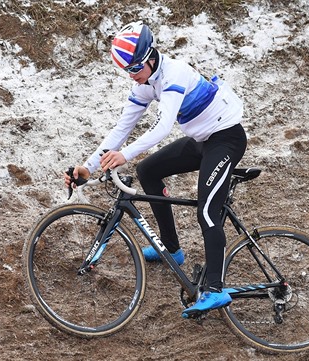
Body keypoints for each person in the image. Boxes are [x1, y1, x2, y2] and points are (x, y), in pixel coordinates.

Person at [64, 21, 247, 318]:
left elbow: (163, 127)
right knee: (148, 170)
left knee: (207, 211)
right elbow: (122, 127)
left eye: (135, 69)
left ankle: (216, 289)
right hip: (202, 140)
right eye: (128, 72)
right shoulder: (146, 82)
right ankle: (172, 248)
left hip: (226, 138)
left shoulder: (173, 73)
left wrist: (124, 155)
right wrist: (88, 166)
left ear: (150, 57)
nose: (133, 77)